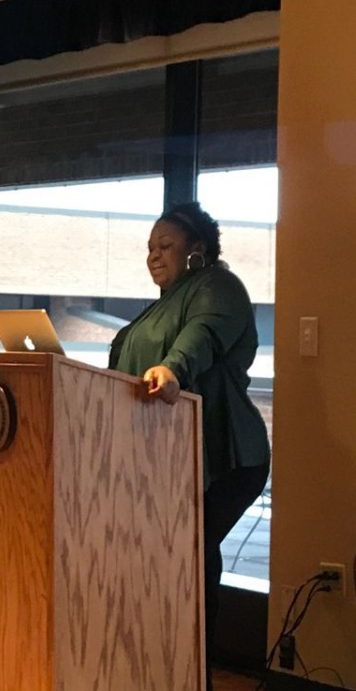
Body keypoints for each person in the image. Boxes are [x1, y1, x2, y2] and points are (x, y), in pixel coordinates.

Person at [107, 202, 270, 691]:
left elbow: (200, 338)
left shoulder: (219, 288)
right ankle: (165, 668)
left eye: (165, 246)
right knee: (179, 557)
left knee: (189, 554)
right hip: (167, 456)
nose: (154, 256)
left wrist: (173, 368)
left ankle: (192, 673)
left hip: (226, 457)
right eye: (150, 248)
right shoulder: (162, 302)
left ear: (196, 252)